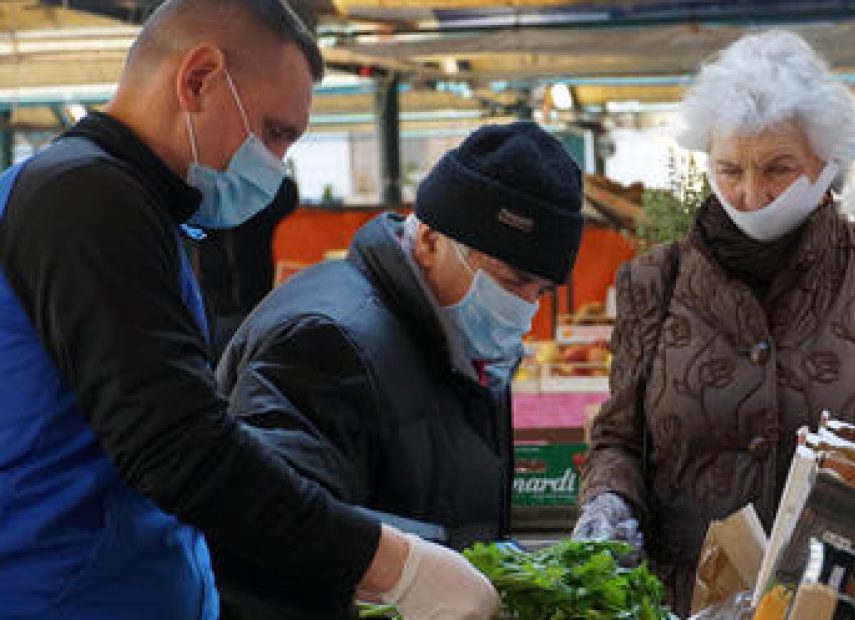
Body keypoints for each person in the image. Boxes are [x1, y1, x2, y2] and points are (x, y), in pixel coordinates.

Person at [0, 1, 498, 618]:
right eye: (275, 132)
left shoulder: (133, 206)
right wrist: (393, 565)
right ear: (198, 78)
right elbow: (180, 447)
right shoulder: (85, 201)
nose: (277, 162)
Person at [574, 31, 855, 615]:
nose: (750, 193)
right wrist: (607, 502)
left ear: (826, 163)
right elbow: (619, 440)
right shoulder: (655, 282)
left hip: (850, 602)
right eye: (729, 169)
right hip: (683, 603)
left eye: (778, 169)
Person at [211, 121, 584, 618]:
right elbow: (266, 525)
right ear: (430, 240)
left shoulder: (466, 346)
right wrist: (421, 565)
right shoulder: (326, 340)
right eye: (513, 282)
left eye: (541, 292)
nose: (524, 309)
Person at [198, 176, 298, 362]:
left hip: (255, 305)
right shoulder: (206, 193)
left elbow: (287, 196)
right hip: (219, 307)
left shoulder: (254, 195)